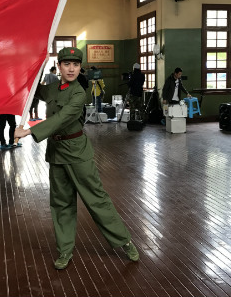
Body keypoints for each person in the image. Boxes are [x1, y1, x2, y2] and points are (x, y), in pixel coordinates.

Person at [14, 47, 139, 270]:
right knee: (61, 203)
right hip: (56, 152)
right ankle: (64, 250)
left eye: (75, 65)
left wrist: (30, 130)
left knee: (96, 199)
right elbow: (32, 90)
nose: (71, 69)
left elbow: (62, 118)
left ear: (80, 67)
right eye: (66, 64)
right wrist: (36, 65)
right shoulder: (52, 88)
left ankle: (124, 241)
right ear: (59, 67)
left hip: (77, 151)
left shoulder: (79, 93)